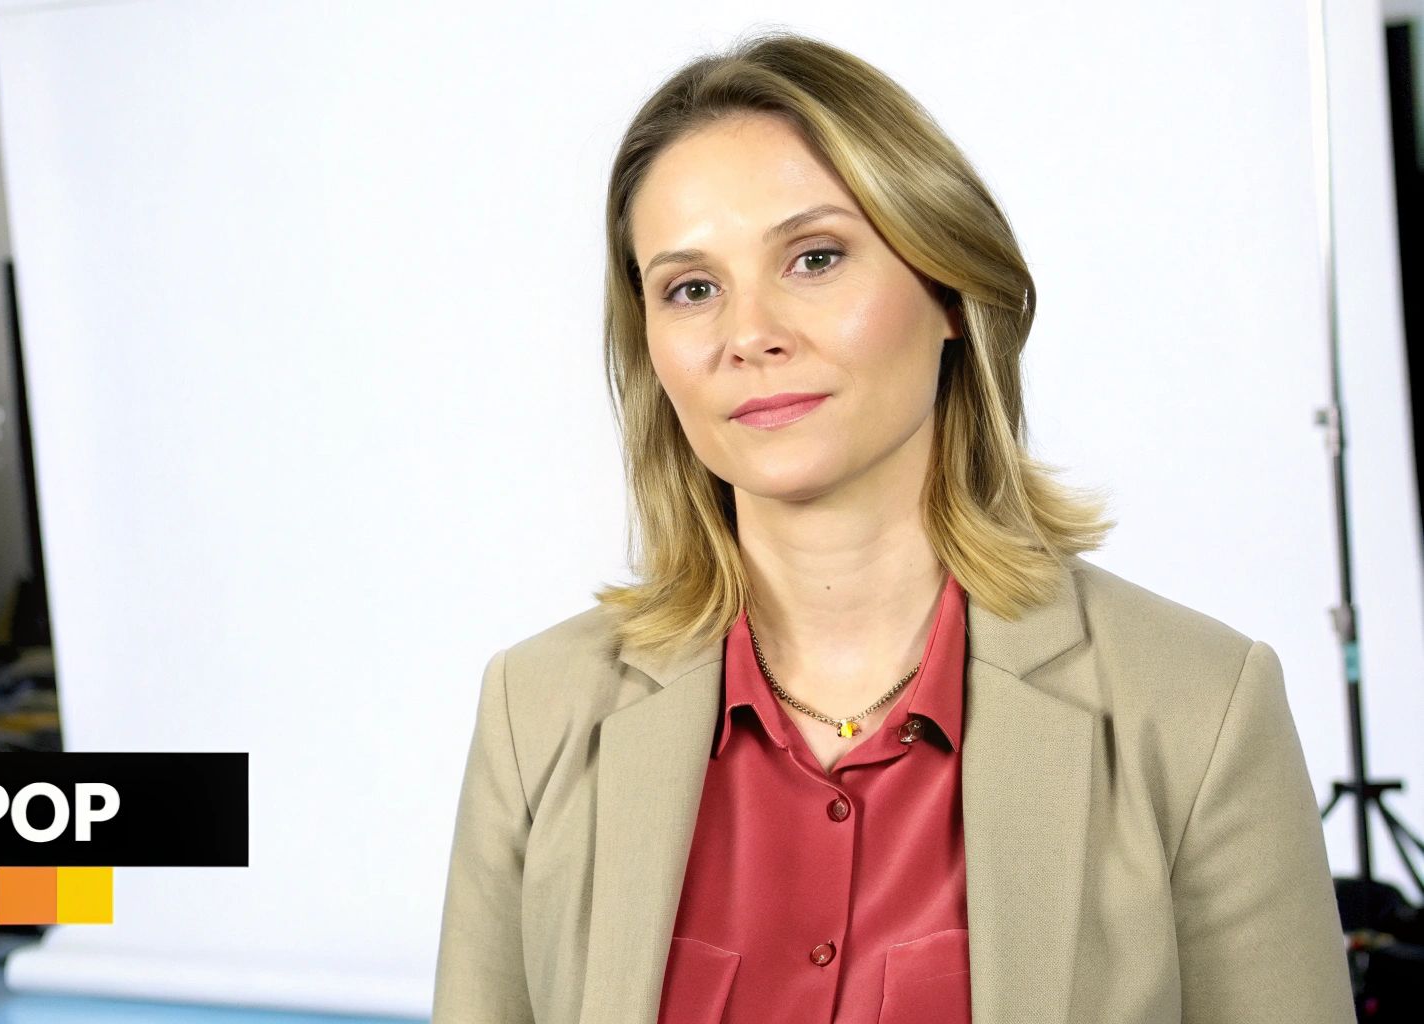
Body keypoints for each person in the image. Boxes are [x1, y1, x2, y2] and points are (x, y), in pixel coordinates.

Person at [430, 29, 1354, 1024]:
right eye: (691, 288)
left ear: (947, 287)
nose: (749, 334)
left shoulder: (1196, 711)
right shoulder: (536, 714)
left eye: (814, 258)